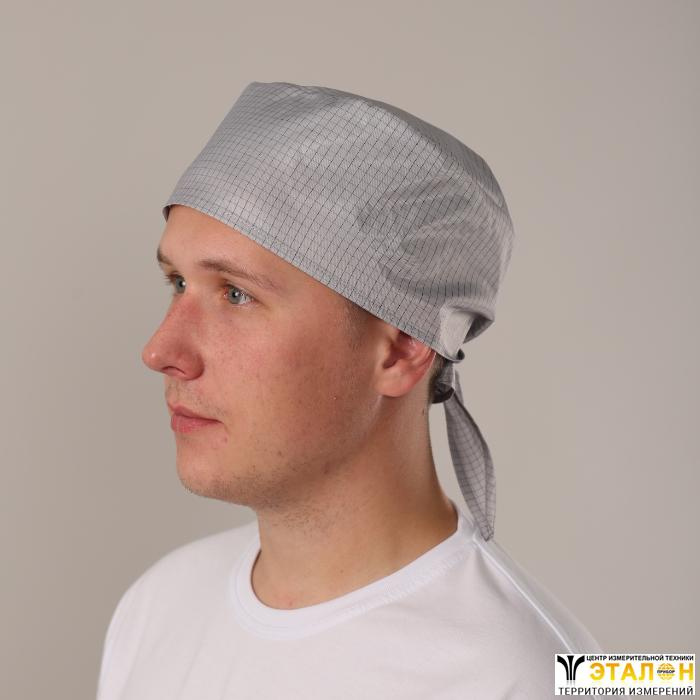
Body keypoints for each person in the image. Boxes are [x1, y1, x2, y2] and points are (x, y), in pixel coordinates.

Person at [96, 81, 602, 699]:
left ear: (402, 347)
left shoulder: (542, 675)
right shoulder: (158, 607)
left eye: (236, 293)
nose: (160, 352)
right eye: (177, 282)